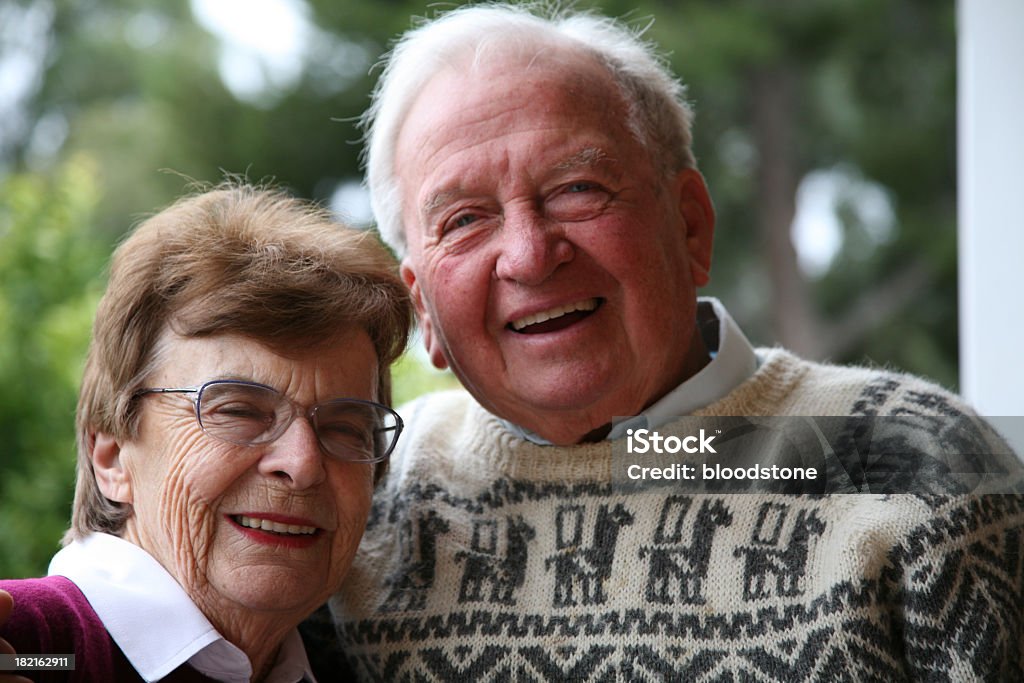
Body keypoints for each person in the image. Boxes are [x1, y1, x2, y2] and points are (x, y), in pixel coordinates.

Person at [304, 3, 1024, 681]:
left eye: (577, 188)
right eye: (463, 220)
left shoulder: (920, 463)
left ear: (690, 225)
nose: (528, 254)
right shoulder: (358, 495)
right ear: (423, 306)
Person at [0, 183, 412, 682]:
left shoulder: (352, 668)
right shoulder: (27, 647)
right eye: (239, 410)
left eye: (345, 428)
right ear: (110, 457)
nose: (302, 463)